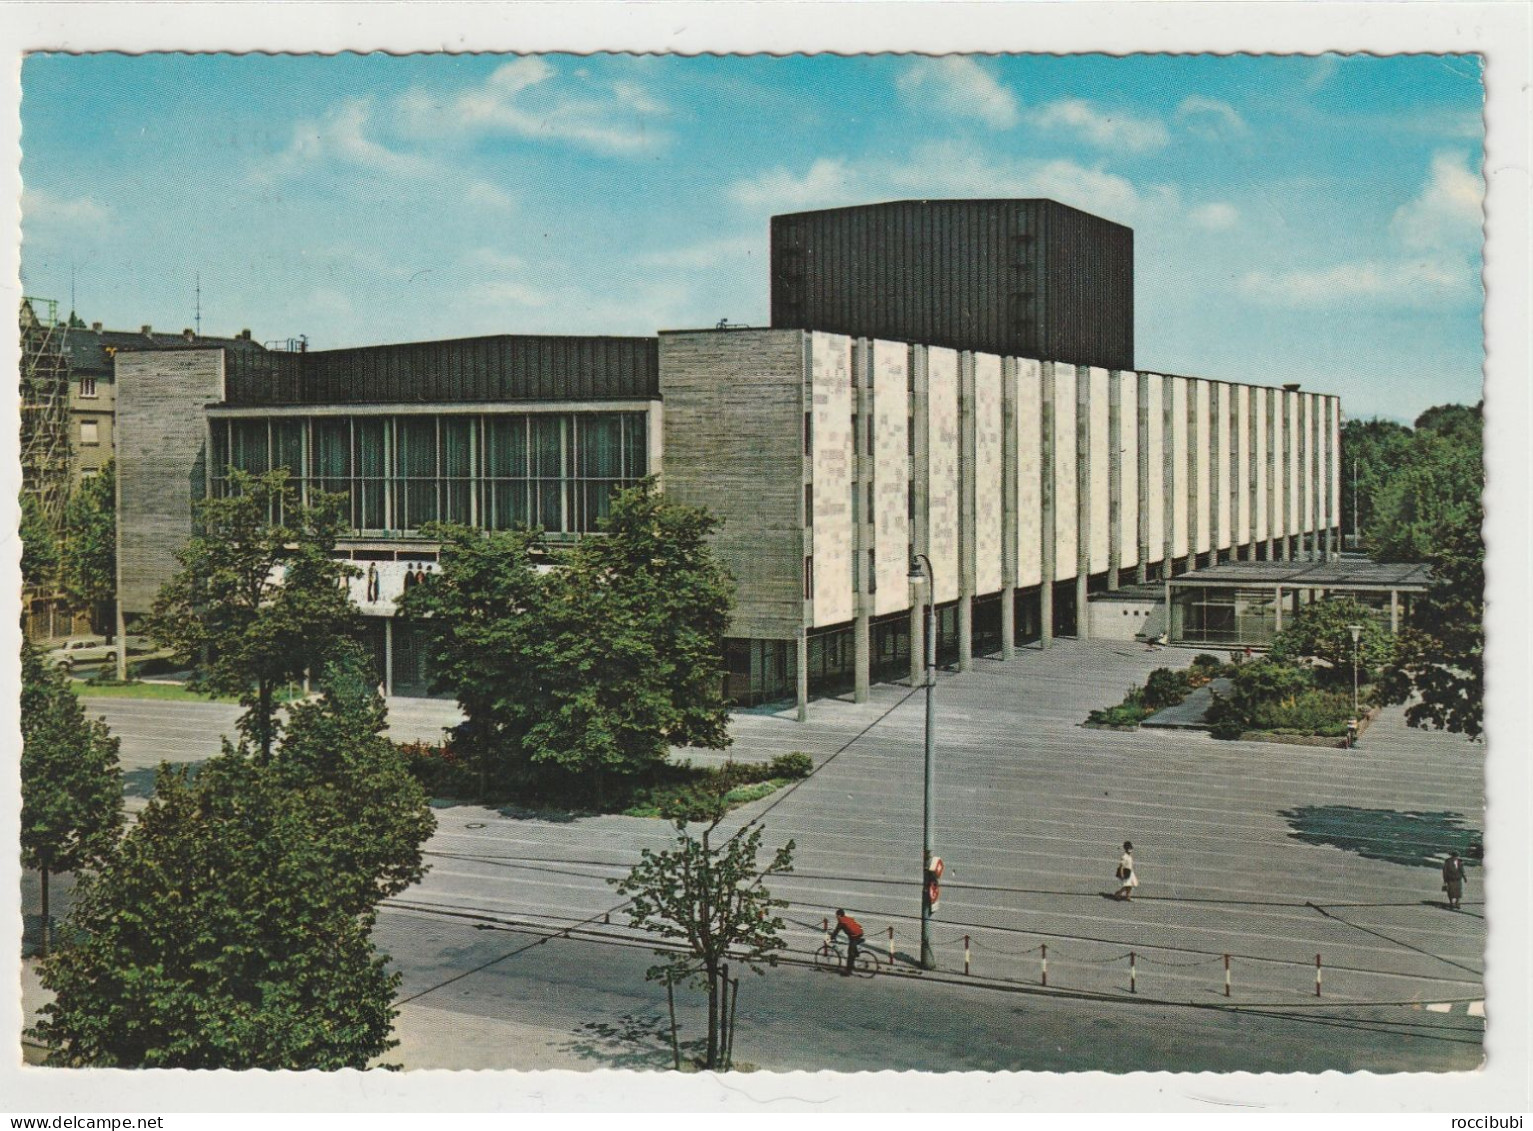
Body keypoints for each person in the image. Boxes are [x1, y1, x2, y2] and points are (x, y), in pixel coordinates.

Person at [829, 908, 864, 976]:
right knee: (852, 950)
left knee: (850, 953)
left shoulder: (841, 922)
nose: (836, 917)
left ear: (839, 915)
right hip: (859, 933)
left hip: (855, 936)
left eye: (836, 915)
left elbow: (836, 931)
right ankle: (854, 959)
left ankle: (848, 971)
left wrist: (831, 937)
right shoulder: (847, 918)